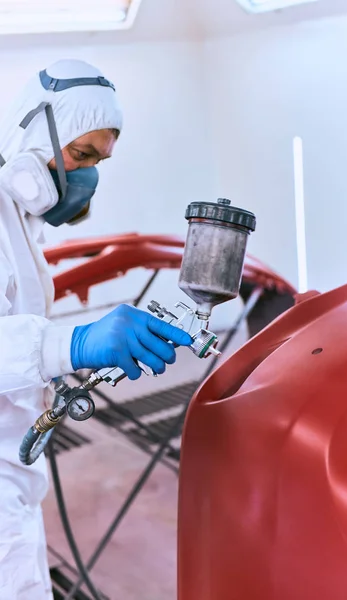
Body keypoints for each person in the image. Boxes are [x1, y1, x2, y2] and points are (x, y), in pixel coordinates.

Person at [0, 59, 192, 599]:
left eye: (99, 160)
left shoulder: (17, 217)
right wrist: (76, 342)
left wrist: (64, 357)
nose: (87, 176)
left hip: (12, 463)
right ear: (33, 134)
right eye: (81, 155)